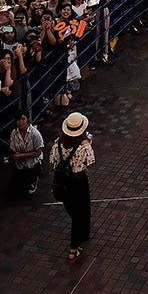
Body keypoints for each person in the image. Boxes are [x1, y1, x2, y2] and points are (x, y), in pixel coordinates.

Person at [50, 111, 95, 263]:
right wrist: (88, 145)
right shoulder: (84, 147)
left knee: (72, 211)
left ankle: (78, 239)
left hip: (63, 182)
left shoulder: (57, 144)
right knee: (80, 214)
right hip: (79, 182)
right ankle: (73, 248)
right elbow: (90, 161)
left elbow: (52, 162)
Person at [7, 112, 44, 198]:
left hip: (32, 164)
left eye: (23, 119)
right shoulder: (13, 133)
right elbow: (12, 149)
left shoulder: (35, 134)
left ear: (27, 119)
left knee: (27, 189)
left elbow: (38, 152)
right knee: (14, 189)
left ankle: (34, 179)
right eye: (18, 120)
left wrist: (21, 156)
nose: (20, 122)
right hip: (20, 165)